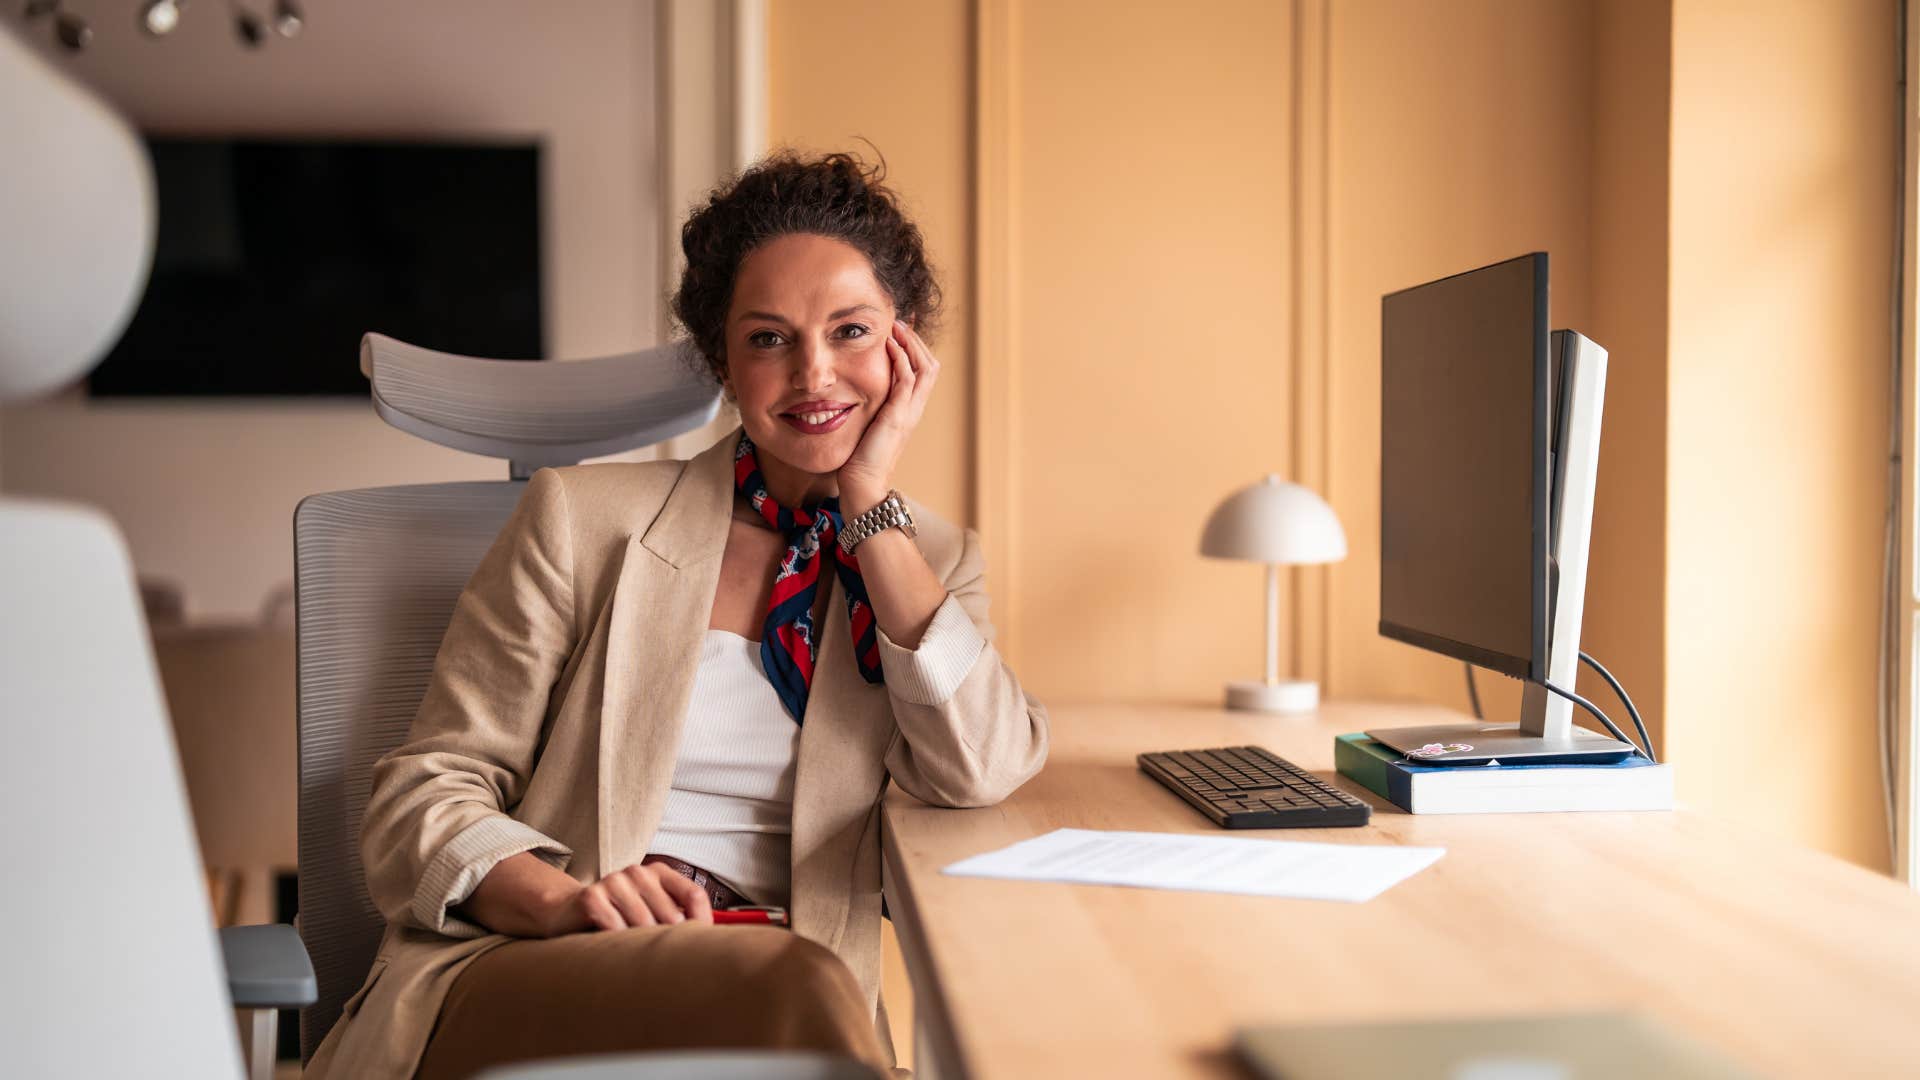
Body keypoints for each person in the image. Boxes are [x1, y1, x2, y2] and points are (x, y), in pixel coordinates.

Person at [303, 151, 1050, 1079]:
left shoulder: (930, 563)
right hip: (544, 964)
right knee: (786, 1001)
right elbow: (422, 794)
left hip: (785, 990)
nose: (814, 373)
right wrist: (563, 901)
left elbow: (982, 766)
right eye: (769, 339)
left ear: (905, 350)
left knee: (787, 1000)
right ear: (724, 363)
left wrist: (868, 504)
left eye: (851, 332)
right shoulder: (580, 519)